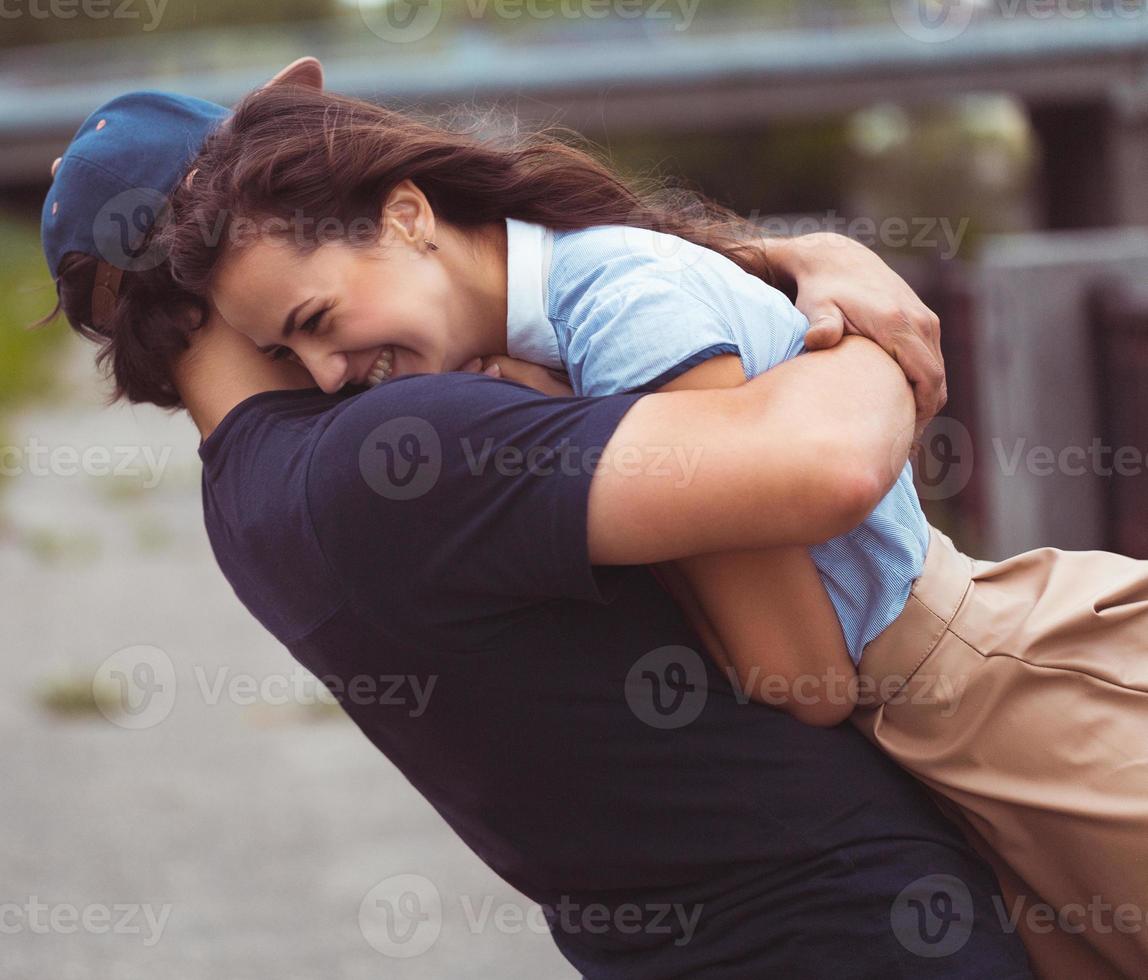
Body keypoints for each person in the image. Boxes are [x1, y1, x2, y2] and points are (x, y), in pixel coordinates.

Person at [36, 64, 1035, 977]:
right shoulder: (393, 448)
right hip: (850, 930)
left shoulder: (248, 496)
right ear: (201, 250)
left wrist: (782, 254)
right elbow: (823, 462)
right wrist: (861, 307)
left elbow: (642, 320)